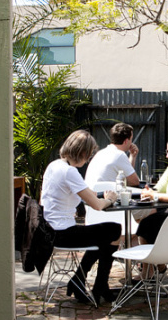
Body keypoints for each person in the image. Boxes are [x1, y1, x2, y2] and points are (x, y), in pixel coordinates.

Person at [40, 130, 122, 304]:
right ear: (83, 152)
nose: (89, 158)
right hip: (63, 233)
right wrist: (109, 199)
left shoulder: (54, 165)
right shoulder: (70, 172)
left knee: (103, 236)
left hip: (49, 230)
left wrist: (99, 195)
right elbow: (97, 205)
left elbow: (86, 192)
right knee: (114, 229)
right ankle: (96, 285)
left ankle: (85, 282)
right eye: (89, 154)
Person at [84, 122, 140, 187]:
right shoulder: (119, 155)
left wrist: (132, 156)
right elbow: (134, 182)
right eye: (131, 139)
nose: (131, 142)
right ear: (126, 141)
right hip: (102, 192)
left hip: (91, 191)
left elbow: (128, 174)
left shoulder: (101, 153)